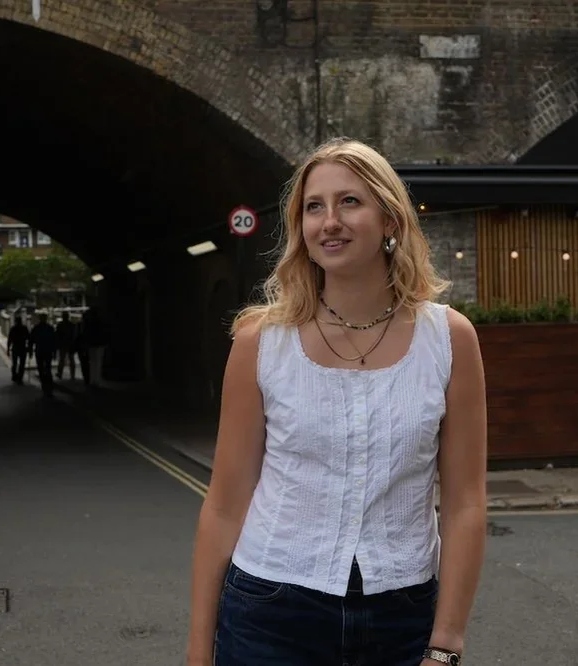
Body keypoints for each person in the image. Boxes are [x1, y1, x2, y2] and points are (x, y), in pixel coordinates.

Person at [186, 137, 487, 666]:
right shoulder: (261, 341)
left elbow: (465, 503)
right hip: (270, 611)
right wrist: (197, 652)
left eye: (350, 201)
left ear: (390, 219)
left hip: (402, 615)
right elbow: (225, 503)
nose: (330, 221)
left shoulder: (450, 338)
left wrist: (446, 644)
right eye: (313, 207)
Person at [29, 312, 57, 398]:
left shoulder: (36, 328)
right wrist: (54, 352)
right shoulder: (50, 328)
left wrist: (30, 351)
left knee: (41, 368)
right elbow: (54, 341)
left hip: (40, 350)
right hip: (47, 351)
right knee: (48, 368)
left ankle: (44, 384)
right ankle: (49, 384)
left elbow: (31, 341)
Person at [6, 315, 30, 384]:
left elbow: (9, 340)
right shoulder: (24, 328)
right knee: (22, 364)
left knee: (15, 363)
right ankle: (20, 378)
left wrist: (8, 349)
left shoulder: (13, 329)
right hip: (22, 348)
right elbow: (28, 338)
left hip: (15, 348)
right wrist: (29, 347)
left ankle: (14, 376)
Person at [55, 311, 77, 380]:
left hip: (62, 344)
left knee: (62, 360)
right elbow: (74, 335)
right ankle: (72, 375)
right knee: (71, 359)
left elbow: (57, 335)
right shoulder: (72, 325)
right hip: (70, 344)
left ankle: (60, 373)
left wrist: (57, 344)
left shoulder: (60, 325)